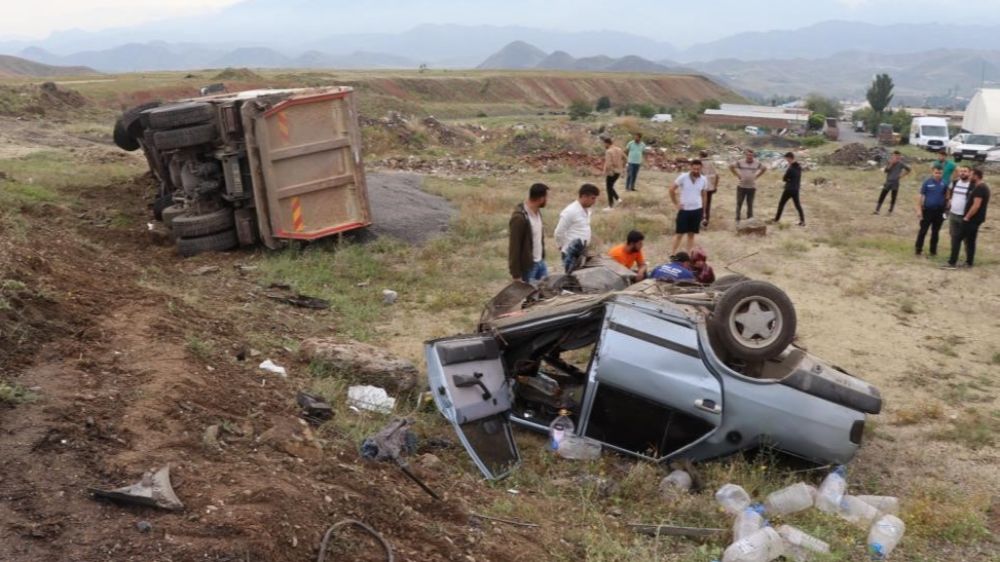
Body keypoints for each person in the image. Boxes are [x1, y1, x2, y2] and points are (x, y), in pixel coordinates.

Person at [944, 168, 990, 269]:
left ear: (976, 176)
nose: (969, 176)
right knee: (969, 240)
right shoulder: (979, 186)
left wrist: (966, 217)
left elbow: (976, 205)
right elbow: (950, 192)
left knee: (958, 239)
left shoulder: (979, 188)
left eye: (971, 174)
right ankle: (969, 263)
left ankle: (952, 263)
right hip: (967, 218)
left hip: (970, 219)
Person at [508, 182, 549, 283]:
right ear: (541, 199)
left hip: (540, 263)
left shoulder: (537, 212)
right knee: (530, 297)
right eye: (547, 197)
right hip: (528, 267)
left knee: (547, 292)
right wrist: (516, 274)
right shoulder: (519, 218)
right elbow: (514, 247)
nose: (547, 200)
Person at [555, 183, 600, 273]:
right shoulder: (570, 211)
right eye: (593, 198)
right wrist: (561, 245)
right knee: (570, 279)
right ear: (584, 196)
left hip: (582, 252)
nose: (594, 201)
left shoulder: (587, 210)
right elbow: (559, 232)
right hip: (571, 253)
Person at [669, 159, 708, 256]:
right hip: (684, 210)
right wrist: (676, 203)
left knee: (691, 235)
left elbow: (704, 195)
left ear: (701, 168)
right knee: (679, 234)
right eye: (694, 168)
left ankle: (688, 256)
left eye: (698, 169)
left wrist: (704, 211)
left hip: (697, 209)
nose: (696, 171)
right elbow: (671, 189)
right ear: (690, 167)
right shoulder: (683, 177)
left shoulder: (704, 179)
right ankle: (673, 255)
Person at [914, 166, 947, 257]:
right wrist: (919, 209)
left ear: (942, 173)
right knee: (923, 231)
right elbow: (920, 196)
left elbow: (946, 197)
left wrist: (946, 211)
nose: (938, 175)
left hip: (939, 212)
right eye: (936, 173)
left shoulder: (944, 183)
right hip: (927, 211)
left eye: (940, 173)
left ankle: (933, 251)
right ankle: (918, 250)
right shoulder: (927, 183)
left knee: (935, 232)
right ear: (933, 173)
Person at [944, 166, 972, 266]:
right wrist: (949, 200)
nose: (962, 173)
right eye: (961, 171)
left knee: (967, 239)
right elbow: (949, 189)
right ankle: (953, 259)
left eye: (965, 171)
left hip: (964, 216)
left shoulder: (972, 185)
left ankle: (968, 261)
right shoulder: (955, 182)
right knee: (953, 237)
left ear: (969, 173)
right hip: (953, 214)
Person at [729, 148, 766, 221]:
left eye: (751, 155)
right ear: (745, 155)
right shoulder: (740, 162)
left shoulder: (757, 163)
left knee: (750, 204)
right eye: (748, 155)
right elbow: (731, 167)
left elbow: (764, 168)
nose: (750, 157)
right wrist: (737, 175)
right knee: (739, 203)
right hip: (741, 186)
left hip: (751, 187)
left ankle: (750, 219)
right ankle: (737, 218)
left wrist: (757, 176)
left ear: (753, 156)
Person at [773, 151, 805, 226]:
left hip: (789, 189)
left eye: (787, 159)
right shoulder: (799, 167)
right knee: (798, 205)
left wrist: (788, 180)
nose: (787, 161)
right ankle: (802, 221)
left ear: (790, 158)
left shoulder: (790, 169)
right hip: (796, 189)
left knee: (781, 204)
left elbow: (784, 178)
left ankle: (776, 219)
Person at [602, 137, 625, 209]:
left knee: (608, 188)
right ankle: (618, 199)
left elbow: (608, 164)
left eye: (604, 144)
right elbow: (625, 158)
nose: (604, 146)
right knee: (610, 187)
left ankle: (610, 206)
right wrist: (622, 166)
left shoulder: (609, 151)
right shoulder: (619, 149)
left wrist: (607, 171)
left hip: (612, 172)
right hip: (618, 171)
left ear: (607, 143)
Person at [700, 150, 720, 228]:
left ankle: (699, 221)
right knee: (707, 205)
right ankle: (706, 222)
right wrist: (715, 186)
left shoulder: (698, 163)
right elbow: (717, 175)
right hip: (710, 187)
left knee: (699, 204)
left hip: (700, 187)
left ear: (700, 155)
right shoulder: (712, 163)